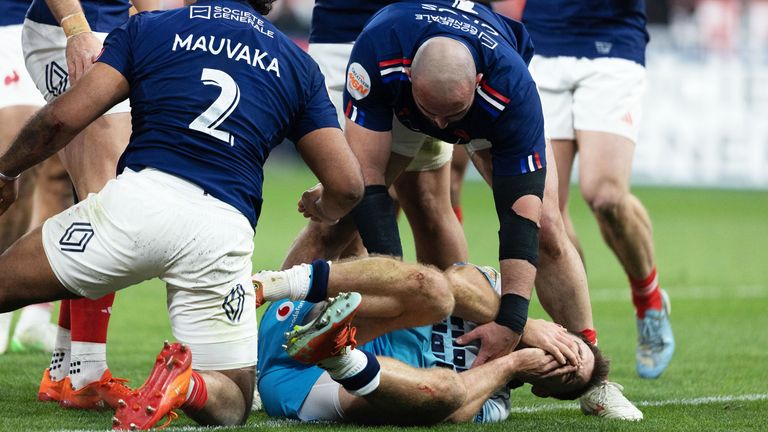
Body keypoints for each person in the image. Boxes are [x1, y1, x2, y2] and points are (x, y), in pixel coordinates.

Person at [0, 0, 364, 429]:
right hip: (221, 234)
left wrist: (8, 170)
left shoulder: (151, 28)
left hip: (135, 208)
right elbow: (348, 186)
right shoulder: (298, 66)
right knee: (234, 402)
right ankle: (185, 387)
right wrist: (320, 205)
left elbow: (65, 116)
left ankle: (79, 367)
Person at [319, 0, 643, 419]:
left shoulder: (513, 89)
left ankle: (595, 377)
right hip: (405, 90)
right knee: (346, 207)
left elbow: (518, 219)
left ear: (477, 81)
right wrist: (399, 289)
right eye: (431, 114)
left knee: (546, 223)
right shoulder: (376, 55)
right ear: (412, 77)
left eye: (449, 116)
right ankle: (265, 357)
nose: (439, 128)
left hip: (478, 102)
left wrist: (511, 321)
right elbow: (370, 185)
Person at [254, 258, 606, 424]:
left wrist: (510, 362)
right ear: (558, 328)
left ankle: (339, 356)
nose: (564, 360)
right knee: (436, 291)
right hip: (300, 313)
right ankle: (275, 285)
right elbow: (456, 282)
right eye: (572, 350)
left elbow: (455, 413)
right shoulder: (499, 292)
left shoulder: (496, 402)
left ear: (544, 391)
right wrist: (521, 326)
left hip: (304, 386)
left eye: (569, 374)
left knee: (448, 396)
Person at [522, 0, 675, 379]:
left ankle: (649, 300)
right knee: (547, 213)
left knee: (605, 194)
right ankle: (585, 349)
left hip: (612, 41)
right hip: (543, 39)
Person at [21, 0, 159, 408]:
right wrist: (76, 28)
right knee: (106, 202)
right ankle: (87, 373)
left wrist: (153, 28)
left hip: (105, 32)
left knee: (93, 201)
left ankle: (64, 367)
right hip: (75, 32)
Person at [0, 0, 62, 355]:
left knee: (61, 173)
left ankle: (36, 316)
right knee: (14, 164)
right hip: (9, 21)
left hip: (68, 25)